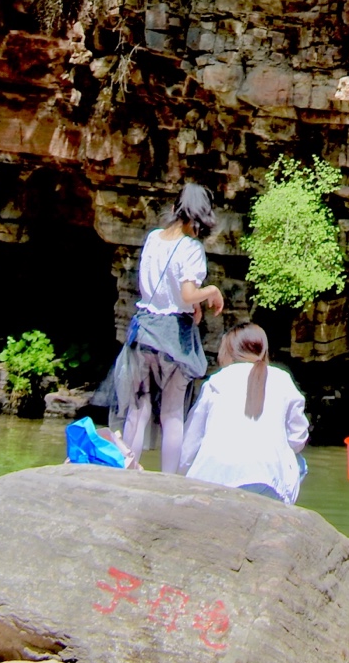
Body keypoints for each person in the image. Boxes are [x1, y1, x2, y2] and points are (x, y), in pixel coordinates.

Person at [111, 183, 224, 472]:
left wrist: (189, 301)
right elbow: (187, 294)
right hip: (175, 337)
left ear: (175, 209)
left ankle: (127, 470)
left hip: (145, 331)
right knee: (173, 413)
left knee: (138, 408)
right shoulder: (192, 248)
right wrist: (210, 291)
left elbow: (157, 287)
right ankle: (168, 479)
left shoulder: (153, 239)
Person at [181, 325, 309, 502]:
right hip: (269, 484)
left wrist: (181, 475)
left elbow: (191, 441)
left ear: (229, 350)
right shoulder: (283, 379)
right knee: (300, 463)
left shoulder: (217, 381)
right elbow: (298, 439)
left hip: (214, 480)